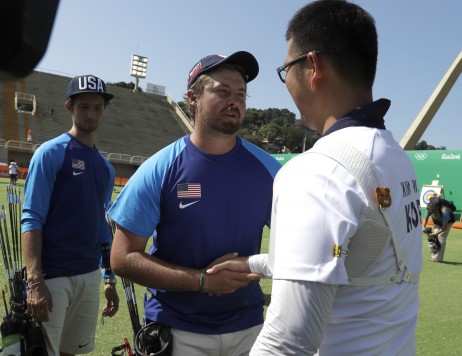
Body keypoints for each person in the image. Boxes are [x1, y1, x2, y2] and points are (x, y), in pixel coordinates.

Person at [208, 1, 423, 355]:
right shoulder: (395, 155)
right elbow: (355, 259)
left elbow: (289, 340)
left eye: (285, 69)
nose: (286, 82)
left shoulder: (317, 170)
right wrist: (253, 264)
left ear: (312, 67)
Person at [108, 51, 281, 356]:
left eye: (241, 94)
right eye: (222, 91)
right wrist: (201, 281)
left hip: (250, 328)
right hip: (178, 328)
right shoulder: (160, 168)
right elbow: (122, 258)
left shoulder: (270, 170)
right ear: (193, 98)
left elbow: (300, 246)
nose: (234, 101)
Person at [21, 74, 119, 356]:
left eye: (98, 107)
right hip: (52, 277)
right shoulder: (51, 153)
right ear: (69, 108)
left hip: (88, 275)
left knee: (70, 353)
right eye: (84, 106)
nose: (91, 113)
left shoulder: (105, 168)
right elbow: (31, 219)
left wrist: (108, 277)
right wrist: (35, 281)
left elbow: (102, 227)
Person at [424, 195, 455, 262]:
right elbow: (426, 218)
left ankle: (439, 259)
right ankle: (434, 257)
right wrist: (423, 227)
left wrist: (436, 233)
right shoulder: (429, 208)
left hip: (448, 222)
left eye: (433, 211)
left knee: (441, 237)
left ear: (437, 208)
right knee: (435, 238)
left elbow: (444, 227)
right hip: (438, 221)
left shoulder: (445, 211)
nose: (432, 213)